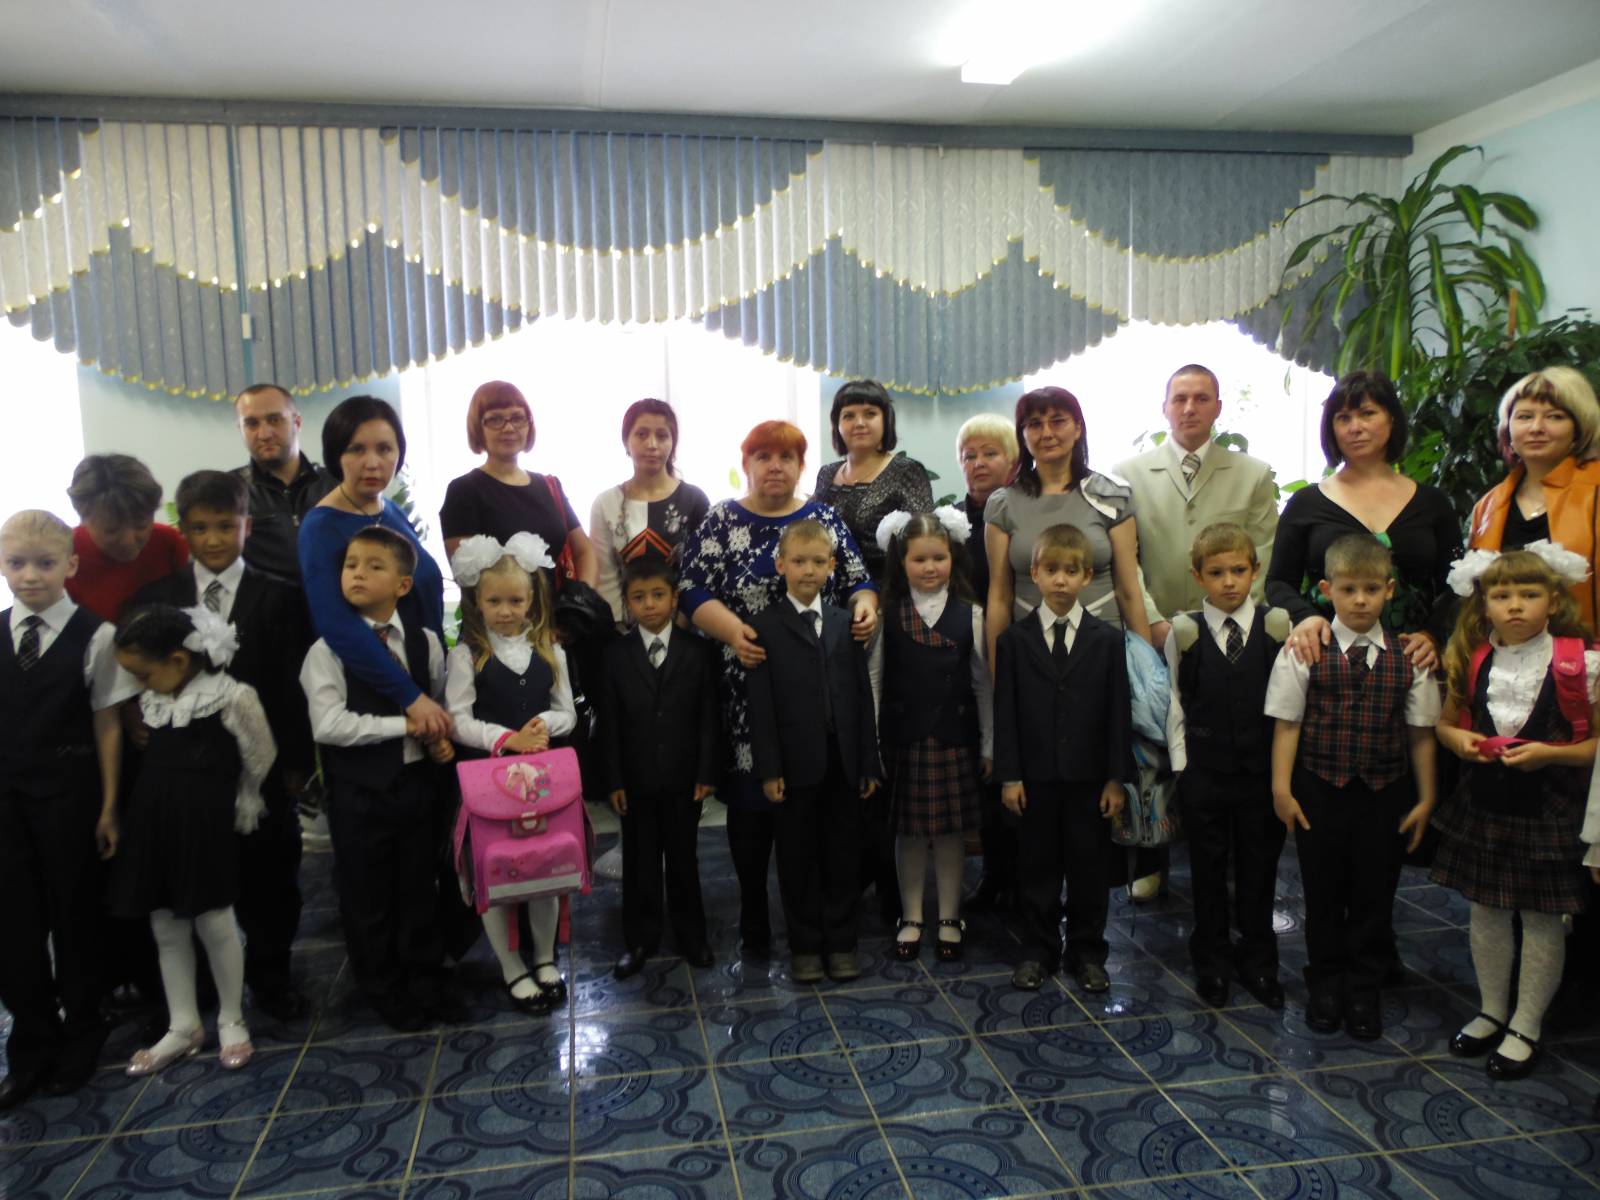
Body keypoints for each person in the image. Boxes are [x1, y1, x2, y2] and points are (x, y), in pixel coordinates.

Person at [678, 420, 877, 957]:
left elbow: (857, 579)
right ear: (746, 464)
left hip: (816, 696)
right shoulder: (722, 520)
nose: (774, 467)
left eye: (786, 457)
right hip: (745, 687)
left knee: (810, 813)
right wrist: (732, 632)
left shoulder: (822, 518)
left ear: (800, 466)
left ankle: (814, 922)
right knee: (750, 808)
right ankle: (753, 915)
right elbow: (692, 588)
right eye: (763, 456)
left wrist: (865, 606)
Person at [131, 470, 314, 1021]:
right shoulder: (157, 601)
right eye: (200, 528)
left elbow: (294, 687)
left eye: (226, 526)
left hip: (260, 761)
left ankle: (272, 977)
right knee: (195, 876)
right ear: (182, 529)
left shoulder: (281, 596)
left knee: (270, 875)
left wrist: (296, 763)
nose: (213, 539)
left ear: (246, 526)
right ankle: (204, 989)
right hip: (187, 769)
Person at [1432, 545, 1599, 1080]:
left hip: (1549, 808)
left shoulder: (1581, 663)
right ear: (1484, 604)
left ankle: (1526, 1023)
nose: (1516, 606)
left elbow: (1596, 745)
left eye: (1529, 594)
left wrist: (1551, 754)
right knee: (1487, 910)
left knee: (1543, 918)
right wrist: (1459, 741)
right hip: (1486, 805)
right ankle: (1491, 1009)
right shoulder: (1475, 657)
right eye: (1502, 596)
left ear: (1554, 600)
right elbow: (1446, 723)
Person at [1266, 534, 1440, 1040]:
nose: (1360, 600)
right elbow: (1288, 724)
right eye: (1348, 589)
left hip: (1385, 792)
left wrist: (1427, 797)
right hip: (1319, 788)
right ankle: (1325, 982)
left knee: (1374, 892)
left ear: (1389, 589)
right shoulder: (1305, 651)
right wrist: (1281, 789)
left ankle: (1365, 988)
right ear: (1327, 591)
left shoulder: (1410, 657)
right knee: (1322, 891)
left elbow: (1421, 734)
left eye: (1371, 589)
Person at [300, 525, 462, 1032]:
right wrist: (406, 726)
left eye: (374, 566)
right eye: (350, 565)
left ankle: (426, 979)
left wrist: (436, 738)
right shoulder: (328, 649)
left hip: (416, 786)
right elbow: (329, 725)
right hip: (359, 793)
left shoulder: (425, 641)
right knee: (368, 894)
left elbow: (435, 700)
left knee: (418, 887)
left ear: (403, 584)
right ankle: (383, 988)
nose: (357, 574)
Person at [0, 511, 134, 1109]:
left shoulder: (96, 636)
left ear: (70, 565)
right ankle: (32, 1041)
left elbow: (108, 723)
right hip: (7, 802)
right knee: (13, 925)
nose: (30, 576)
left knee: (75, 916)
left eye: (44, 563)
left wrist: (108, 806)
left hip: (70, 795)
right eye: (16, 563)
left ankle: (83, 1028)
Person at [109, 604, 277, 1076]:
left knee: (215, 920)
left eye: (144, 674)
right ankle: (183, 1023)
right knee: (165, 925)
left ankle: (231, 1017)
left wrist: (245, 800)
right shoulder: (155, 702)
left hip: (203, 824)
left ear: (179, 661)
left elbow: (260, 754)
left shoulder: (231, 697)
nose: (140, 684)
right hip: (155, 821)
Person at [993, 524, 1132, 994]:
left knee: (1090, 867)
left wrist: (1115, 778)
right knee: (1037, 867)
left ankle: (1088, 952)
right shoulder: (1014, 641)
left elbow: (1118, 712)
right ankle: (1038, 950)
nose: (1060, 580)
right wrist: (1010, 775)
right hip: (1035, 777)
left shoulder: (1107, 640)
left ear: (1087, 576)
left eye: (1071, 571)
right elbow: (1006, 712)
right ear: (1034, 572)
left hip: (1089, 779)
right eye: (1051, 570)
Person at [443, 533, 577, 1013]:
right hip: (489, 782)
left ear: (532, 600)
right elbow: (457, 720)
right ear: (477, 602)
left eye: (515, 601)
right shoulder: (466, 655)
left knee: (545, 866)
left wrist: (543, 725)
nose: (505, 611)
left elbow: (567, 713)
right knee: (495, 874)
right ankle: (511, 965)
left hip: (542, 780)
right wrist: (506, 739)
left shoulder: (551, 651)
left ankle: (544, 957)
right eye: (494, 601)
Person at [747, 520, 883, 983]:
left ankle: (842, 942)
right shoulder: (763, 628)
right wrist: (769, 769)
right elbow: (761, 708)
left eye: (818, 561)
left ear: (832, 566)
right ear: (780, 565)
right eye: (799, 561)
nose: (808, 570)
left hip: (843, 760)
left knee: (843, 853)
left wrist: (868, 762)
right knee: (796, 856)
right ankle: (804, 945)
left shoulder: (846, 625)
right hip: (793, 764)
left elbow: (861, 696)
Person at [1163, 523, 1291, 1010]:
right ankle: (1211, 961)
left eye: (1239, 570)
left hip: (1260, 772)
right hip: (1204, 772)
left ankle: (1259, 961)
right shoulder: (1185, 631)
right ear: (1198, 576)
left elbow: (1291, 703)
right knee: (1207, 869)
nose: (1229, 582)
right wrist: (1182, 768)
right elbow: (1175, 701)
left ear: (1255, 570)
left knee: (1260, 866)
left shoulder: (1277, 627)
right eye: (1216, 573)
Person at [1266, 372, 1459, 673]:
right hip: (1326, 661)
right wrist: (1305, 617)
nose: (1355, 427)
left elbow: (1457, 584)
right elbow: (1278, 582)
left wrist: (1432, 635)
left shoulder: (1434, 503)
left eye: (1367, 413)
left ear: (1392, 419)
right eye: (1343, 418)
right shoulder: (1306, 503)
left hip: (1414, 663)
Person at [869, 509, 993, 962]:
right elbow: (875, 679)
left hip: (955, 736)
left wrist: (990, 743)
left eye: (938, 558)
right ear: (901, 561)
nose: (929, 568)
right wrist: (872, 744)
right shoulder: (887, 614)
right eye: (918, 559)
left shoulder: (971, 614)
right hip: (904, 738)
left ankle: (949, 916)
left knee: (951, 833)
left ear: (952, 558)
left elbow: (982, 683)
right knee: (908, 832)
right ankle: (911, 916)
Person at [298, 395, 450, 744]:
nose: (372, 462)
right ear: (336, 455)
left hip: (424, 684)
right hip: (373, 697)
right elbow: (337, 624)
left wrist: (436, 687)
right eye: (356, 449)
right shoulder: (321, 526)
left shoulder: (392, 512)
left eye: (385, 449)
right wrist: (411, 697)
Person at [597, 559, 719, 979]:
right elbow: (609, 723)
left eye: (657, 595)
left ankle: (692, 935)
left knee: (684, 858)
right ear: (627, 603)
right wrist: (613, 779)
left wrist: (706, 772)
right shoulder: (614, 656)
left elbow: (709, 718)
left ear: (674, 598)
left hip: (684, 778)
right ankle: (640, 938)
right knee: (640, 860)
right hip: (635, 779)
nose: (649, 605)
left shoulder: (698, 652)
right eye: (639, 597)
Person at [1112, 363, 1279, 649]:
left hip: (1233, 636)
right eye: (1180, 399)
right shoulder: (1127, 475)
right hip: (1154, 633)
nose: (1189, 408)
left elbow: (1263, 554)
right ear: (1165, 408)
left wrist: (1232, 623)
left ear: (1218, 408)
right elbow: (1126, 561)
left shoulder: (1254, 474)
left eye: (1201, 399)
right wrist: (1150, 620)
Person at [986, 387, 1153, 668]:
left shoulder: (1111, 496)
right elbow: (1000, 597)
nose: (1047, 433)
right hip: (1031, 652)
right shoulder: (1003, 504)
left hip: (1103, 650)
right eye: (1035, 424)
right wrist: (997, 673)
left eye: (1057, 421)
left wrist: (1146, 668)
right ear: (1022, 435)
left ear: (1077, 428)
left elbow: (1129, 591)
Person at [1467, 368, 1600, 627]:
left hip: (1588, 646)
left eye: (1554, 417)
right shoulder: (1488, 505)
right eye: (1524, 417)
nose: (1537, 428)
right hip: (1505, 648)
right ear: (1508, 430)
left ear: (1579, 429)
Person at [954, 414, 1021, 914]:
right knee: (985, 772)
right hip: (967, 666)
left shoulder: (1024, 512)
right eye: (969, 455)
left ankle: (1029, 880)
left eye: (990, 454)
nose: (978, 463)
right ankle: (996, 875)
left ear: (1013, 461)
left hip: (1022, 653)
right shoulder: (949, 522)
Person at [440, 380, 598, 590]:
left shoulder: (550, 485)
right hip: (500, 610)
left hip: (561, 610)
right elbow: (467, 576)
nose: (509, 428)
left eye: (517, 418)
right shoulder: (464, 490)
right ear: (478, 427)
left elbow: (584, 551)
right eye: (496, 419)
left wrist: (584, 597)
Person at [590, 398, 712, 626]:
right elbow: (605, 578)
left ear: (673, 442)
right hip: (623, 632)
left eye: (662, 436)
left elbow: (703, 572)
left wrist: (682, 628)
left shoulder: (694, 500)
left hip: (686, 628)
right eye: (641, 434)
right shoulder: (606, 503)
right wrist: (618, 632)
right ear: (626, 441)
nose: (652, 444)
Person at [812, 380, 935, 583]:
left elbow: (924, 542)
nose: (859, 423)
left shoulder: (906, 471)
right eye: (849, 416)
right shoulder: (826, 474)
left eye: (870, 414)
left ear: (886, 420)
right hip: (826, 589)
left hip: (887, 591)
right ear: (837, 424)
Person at [232, 382, 338, 586]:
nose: (264, 434)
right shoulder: (230, 491)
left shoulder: (337, 485)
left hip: (331, 602)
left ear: (296, 422)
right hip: (266, 605)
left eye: (274, 420)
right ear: (241, 430)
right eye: (252, 424)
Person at [65, 454, 188, 622]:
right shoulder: (61, 555)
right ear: (83, 516)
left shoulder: (168, 543)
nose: (128, 541)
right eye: (112, 530)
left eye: (141, 525)